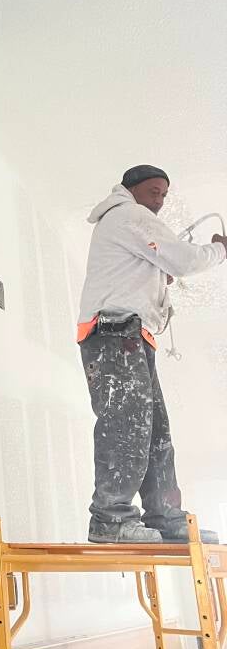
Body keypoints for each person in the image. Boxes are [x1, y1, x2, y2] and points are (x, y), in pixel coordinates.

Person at [78, 165, 227, 544]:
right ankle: (110, 519)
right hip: (114, 333)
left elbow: (155, 266)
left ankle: (165, 517)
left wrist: (158, 274)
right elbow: (184, 259)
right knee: (126, 426)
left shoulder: (128, 223)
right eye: (153, 191)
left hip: (131, 335)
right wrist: (220, 250)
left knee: (155, 433)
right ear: (130, 189)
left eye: (163, 194)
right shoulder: (127, 214)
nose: (159, 200)